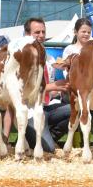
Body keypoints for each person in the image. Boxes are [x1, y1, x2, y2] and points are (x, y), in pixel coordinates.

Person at [21, 17, 70, 152]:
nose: (41, 35)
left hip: (49, 106)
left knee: (77, 109)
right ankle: (43, 139)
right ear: (27, 34)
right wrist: (54, 86)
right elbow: (24, 90)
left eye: (43, 32)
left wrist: (60, 88)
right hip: (30, 109)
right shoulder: (22, 58)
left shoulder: (50, 58)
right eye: (37, 32)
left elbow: (48, 89)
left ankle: (48, 136)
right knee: (48, 150)